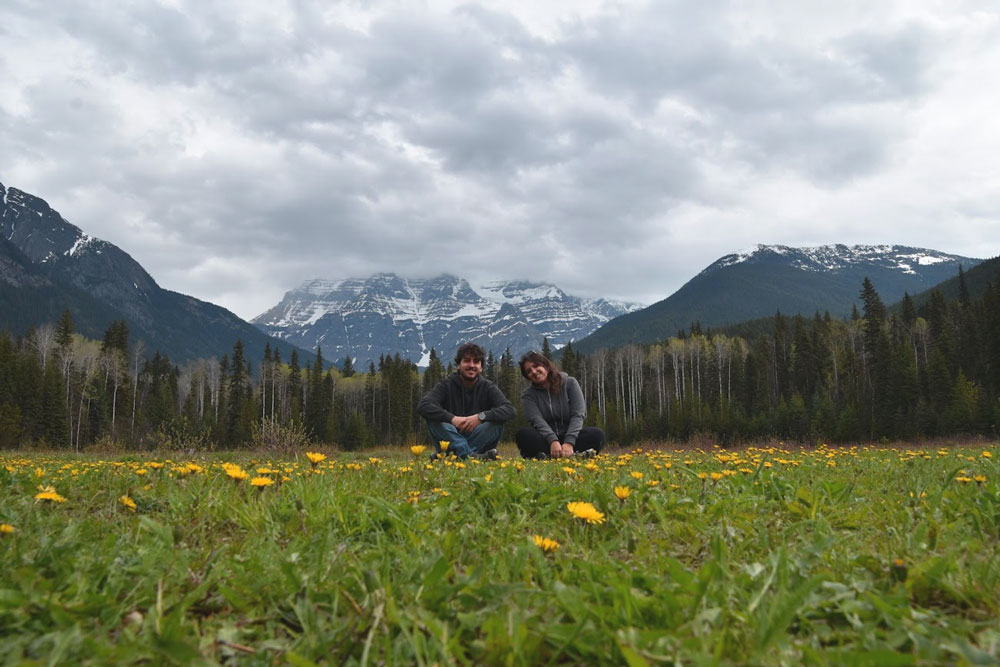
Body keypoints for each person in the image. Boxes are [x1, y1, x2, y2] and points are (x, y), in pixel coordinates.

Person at [417, 342, 515, 459]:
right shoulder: (446, 385)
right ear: (459, 365)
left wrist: (480, 417)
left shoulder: (488, 387)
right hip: (451, 435)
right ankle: (474, 457)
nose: (471, 365)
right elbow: (424, 406)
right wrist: (452, 419)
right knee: (434, 421)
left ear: (481, 367)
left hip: (478, 436)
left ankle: (454, 456)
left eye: (476, 362)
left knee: (496, 423)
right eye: (467, 361)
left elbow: (510, 410)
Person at [517, 351, 604, 459]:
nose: (534, 372)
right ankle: (573, 456)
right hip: (545, 440)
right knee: (524, 435)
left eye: (536, 366)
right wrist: (553, 440)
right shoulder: (528, 395)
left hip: (572, 437)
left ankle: (548, 456)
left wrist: (569, 442)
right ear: (528, 377)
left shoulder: (570, 383)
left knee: (596, 434)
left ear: (545, 365)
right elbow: (536, 420)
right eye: (529, 371)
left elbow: (578, 414)